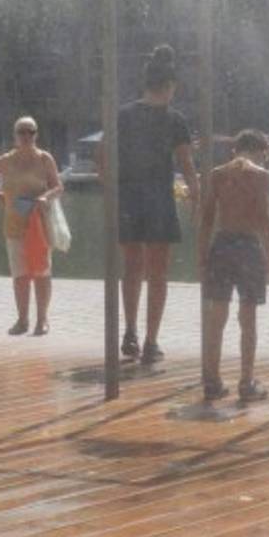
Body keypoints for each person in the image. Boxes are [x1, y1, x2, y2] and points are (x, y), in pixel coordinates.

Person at [99, 45, 200, 366]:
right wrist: (197, 197)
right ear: (170, 86)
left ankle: (128, 331)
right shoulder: (175, 119)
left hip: (129, 197)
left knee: (131, 268)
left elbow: (100, 155)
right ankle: (151, 341)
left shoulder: (124, 115)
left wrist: (112, 189)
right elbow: (186, 165)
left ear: (146, 84)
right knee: (158, 274)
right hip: (159, 199)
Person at [198, 129, 269, 403]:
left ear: (235, 149)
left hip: (222, 244)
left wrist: (201, 253)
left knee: (217, 316)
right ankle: (246, 381)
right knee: (248, 318)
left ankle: (212, 380)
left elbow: (207, 217)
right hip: (248, 246)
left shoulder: (218, 174)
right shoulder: (260, 176)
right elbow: (263, 217)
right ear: (260, 151)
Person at [0, 116, 64, 336]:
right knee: (20, 274)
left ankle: (42, 320)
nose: (26, 136)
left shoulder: (45, 159)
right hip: (14, 223)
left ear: (36, 135)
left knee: (42, 272)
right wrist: (0, 197)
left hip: (40, 224)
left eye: (30, 132)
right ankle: (22, 320)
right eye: (22, 132)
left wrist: (45, 197)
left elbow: (58, 187)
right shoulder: (6, 160)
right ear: (15, 136)